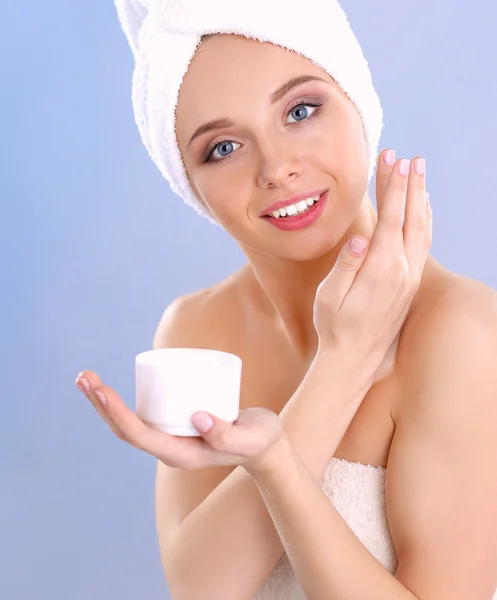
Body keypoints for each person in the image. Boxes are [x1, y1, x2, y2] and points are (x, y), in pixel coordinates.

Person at [75, 3, 497, 599]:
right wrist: (341, 365)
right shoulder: (197, 329)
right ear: (188, 184)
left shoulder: (461, 333)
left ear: (359, 99)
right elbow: (202, 590)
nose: (277, 168)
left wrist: (277, 464)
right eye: (222, 148)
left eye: (300, 111)